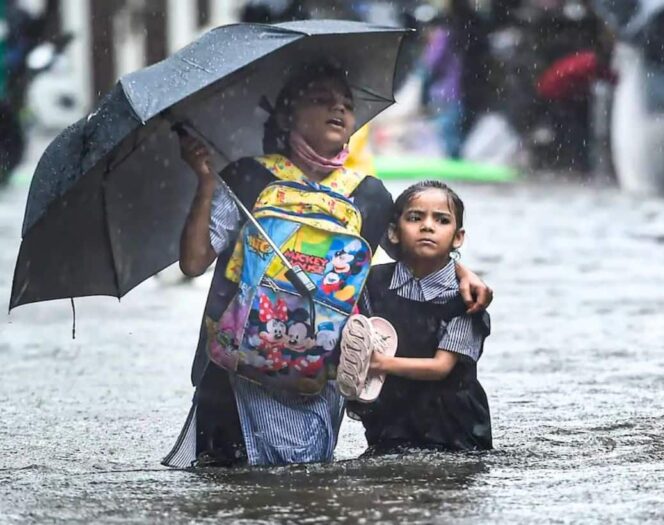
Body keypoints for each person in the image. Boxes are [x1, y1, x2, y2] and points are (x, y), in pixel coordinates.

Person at [162, 63, 492, 468]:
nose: (338, 109)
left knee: (306, 482)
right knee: (231, 486)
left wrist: (463, 271)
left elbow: (417, 256)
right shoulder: (246, 178)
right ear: (287, 115)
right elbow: (194, 262)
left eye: (346, 104)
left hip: (319, 379)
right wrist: (206, 181)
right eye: (321, 100)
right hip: (235, 375)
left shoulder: (368, 197)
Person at [347, 180, 492, 453]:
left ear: (457, 237)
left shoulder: (466, 300)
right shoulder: (372, 283)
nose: (428, 226)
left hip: (455, 430)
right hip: (391, 422)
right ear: (393, 232)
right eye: (415, 217)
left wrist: (379, 364)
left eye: (441, 220)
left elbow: (441, 368)